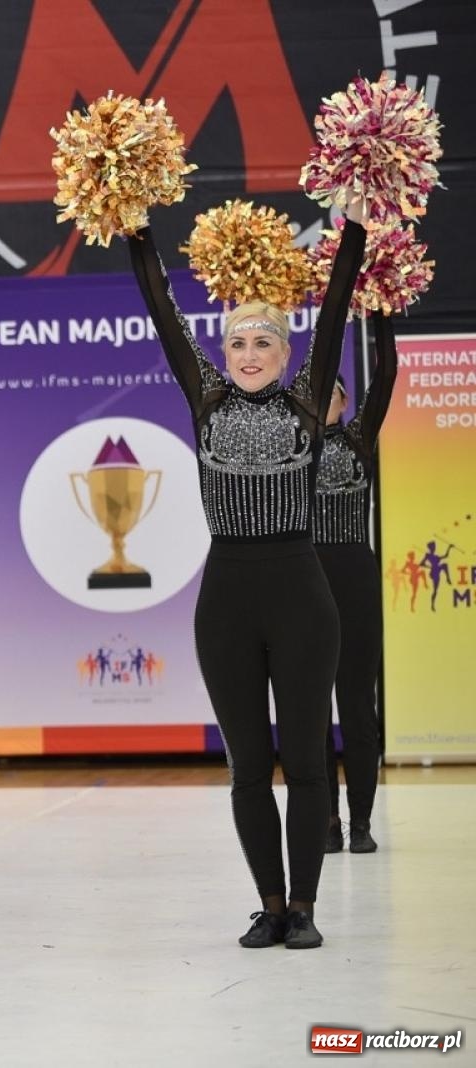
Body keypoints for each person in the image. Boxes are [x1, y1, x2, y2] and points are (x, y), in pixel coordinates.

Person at [127, 196, 367, 950]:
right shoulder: (205, 401)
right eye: (239, 343)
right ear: (223, 353)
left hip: (302, 596)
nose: (251, 353)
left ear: (288, 355)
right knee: (246, 766)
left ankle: (305, 907)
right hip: (226, 600)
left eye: (265, 341)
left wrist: (353, 224)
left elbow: (332, 311)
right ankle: (269, 902)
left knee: (303, 757)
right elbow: (162, 309)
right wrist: (136, 225)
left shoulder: (304, 403)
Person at [316, 313, 398, 855]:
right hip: (305, 579)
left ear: (345, 404)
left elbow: (387, 372)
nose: (326, 403)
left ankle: (363, 821)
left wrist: (383, 309)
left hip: (355, 576)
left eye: (335, 395)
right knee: (311, 711)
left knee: (358, 709)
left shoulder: (359, 441)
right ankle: (326, 821)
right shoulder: (288, 445)